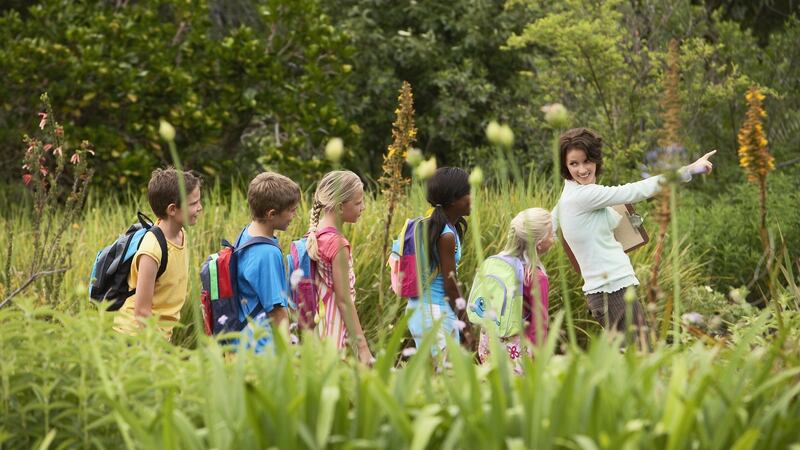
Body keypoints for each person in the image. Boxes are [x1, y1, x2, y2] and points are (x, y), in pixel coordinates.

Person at [553, 128, 715, 344]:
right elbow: (636, 190)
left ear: (596, 160)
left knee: (634, 363)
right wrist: (690, 169)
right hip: (612, 292)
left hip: (611, 291)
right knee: (642, 358)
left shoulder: (571, 195)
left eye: (587, 161)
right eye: (574, 164)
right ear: (565, 166)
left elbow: (548, 224)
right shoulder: (582, 196)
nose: (582, 169)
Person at [114, 167, 203, 340]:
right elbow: (141, 312)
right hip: (135, 337)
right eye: (193, 204)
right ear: (172, 209)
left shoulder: (180, 234)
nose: (199, 208)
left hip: (158, 335)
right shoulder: (151, 250)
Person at [305, 170, 373, 364]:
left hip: (316, 330)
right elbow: (344, 301)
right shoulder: (337, 244)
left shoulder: (314, 237)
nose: (363, 207)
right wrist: (363, 349)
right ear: (341, 206)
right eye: (358, 203)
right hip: (334, 334)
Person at [477, 208, 554, 370]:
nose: (554, 239)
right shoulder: (535, 277)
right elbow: (539, 325)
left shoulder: (495, 265)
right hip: (517, 352)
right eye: (551, 234)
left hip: (488, 344)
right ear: (539, 244)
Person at [407, 167, 472, 357]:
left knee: (433, 379)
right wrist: (465, 325)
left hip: (418, 310)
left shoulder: (432, 225)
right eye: (469, 193)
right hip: (436, 313)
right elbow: (451, 286)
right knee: (446, 380)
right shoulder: (446, 235)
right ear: (453, 199)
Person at [235, 172, 300, 352]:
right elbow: (277, 311)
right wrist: (288, 356)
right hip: (262, 347)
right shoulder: (267, 253)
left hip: (244, 338)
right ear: (272, 214)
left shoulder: (247, 233)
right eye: (292, 210)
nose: (294, 215)